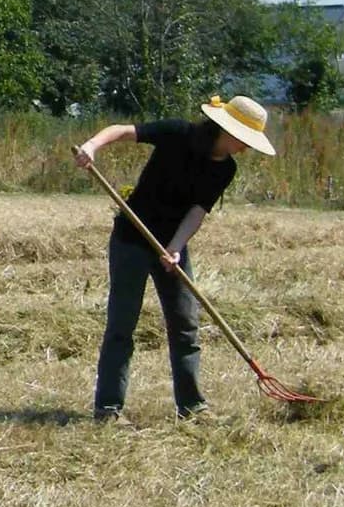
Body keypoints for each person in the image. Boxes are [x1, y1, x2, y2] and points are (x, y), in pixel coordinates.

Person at [71, 95, 276, 422]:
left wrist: (177, 247)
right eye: (244, 140)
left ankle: (192, 407)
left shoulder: (226, 169)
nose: (245, 149)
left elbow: (198, 210)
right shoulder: (177, 133)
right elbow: (122, 131)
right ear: (226, 130)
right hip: (131, 240)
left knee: (185, 325)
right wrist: (92, 146)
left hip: (171, 246)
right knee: (122, 325)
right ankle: (108, 408)